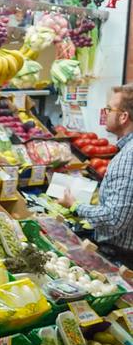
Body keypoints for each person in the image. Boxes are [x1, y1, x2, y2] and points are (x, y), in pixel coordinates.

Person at [63, 85, 133, 267]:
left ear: (123, 116)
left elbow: (115, 218)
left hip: (122, 257)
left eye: (109, 109)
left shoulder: (129, 156)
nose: (106, 113)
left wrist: (75, 206)